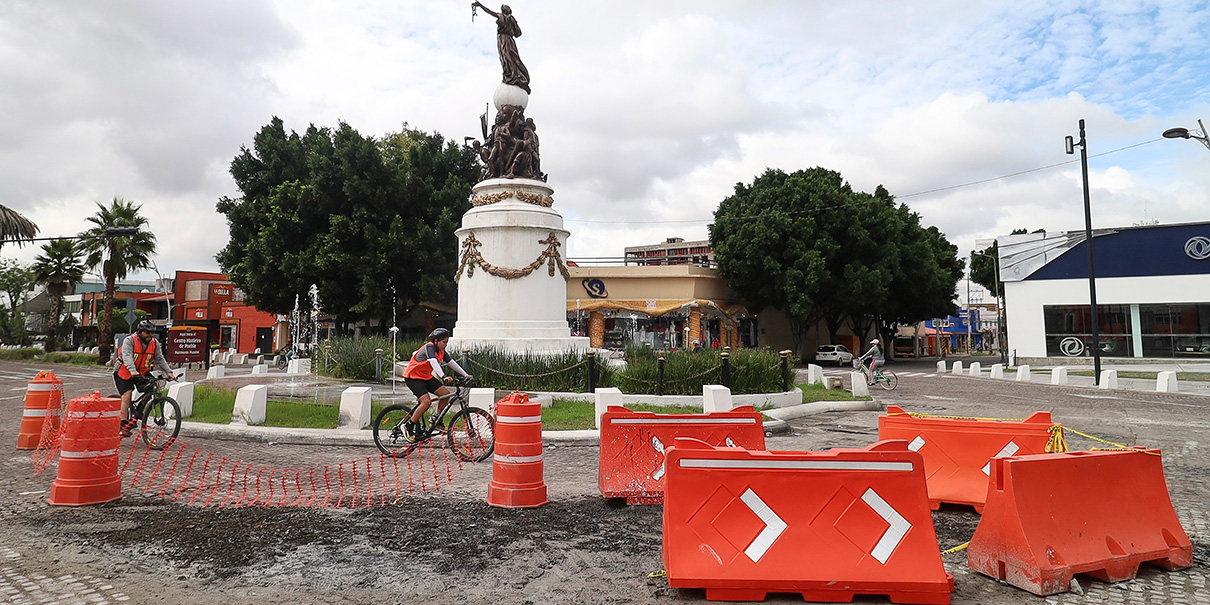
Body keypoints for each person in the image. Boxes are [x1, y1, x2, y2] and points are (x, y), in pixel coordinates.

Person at [402, 328, 473, 438]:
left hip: (425, 377)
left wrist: (465, 375)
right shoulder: (429, 347)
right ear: (436, 341)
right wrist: (443, 376)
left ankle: (436, 420)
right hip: (413, 377)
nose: (445, 345)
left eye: (447, 342)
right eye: (444, 342)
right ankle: (408, 426)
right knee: (426, 402)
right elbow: (433, 361)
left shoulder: (441, 351)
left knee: (445, 394)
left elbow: (451, 362)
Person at [113, 320, 174, 437]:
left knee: (153, 386)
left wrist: (169, 372)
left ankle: (138, 412)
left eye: (152, 333)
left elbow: (159, 358)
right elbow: (127, 356)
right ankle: (123, 423)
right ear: (139, 331)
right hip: (124, 371)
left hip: (141, 371)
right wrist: (132, 370)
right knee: (127, 395)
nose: (150, 335)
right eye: (147, 332)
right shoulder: (129, 340)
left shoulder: (154, 343)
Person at [472, 2, 531, 93]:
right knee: (507, 57)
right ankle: (511, 74)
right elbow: (518, 33)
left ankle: (512, 75)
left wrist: (480, 5)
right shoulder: (506, 18)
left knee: (508, 57)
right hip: (508, 39)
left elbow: (518, 33)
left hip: (504, 39)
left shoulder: (507, 18)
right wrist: (480, 5)